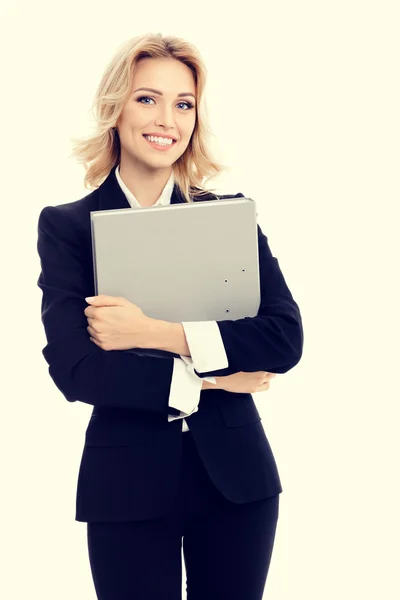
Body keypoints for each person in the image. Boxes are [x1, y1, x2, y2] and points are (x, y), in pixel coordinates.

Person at [37, 32, 303, 600]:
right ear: (116, 108)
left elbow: (283, 338)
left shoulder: (230, 217)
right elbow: (77, 370)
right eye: (147, 98)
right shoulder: (67, 228)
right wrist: (213, 378)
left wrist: (154, 334)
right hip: (125, 486)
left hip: (238, 484)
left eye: (184, 103)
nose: (167, 119)